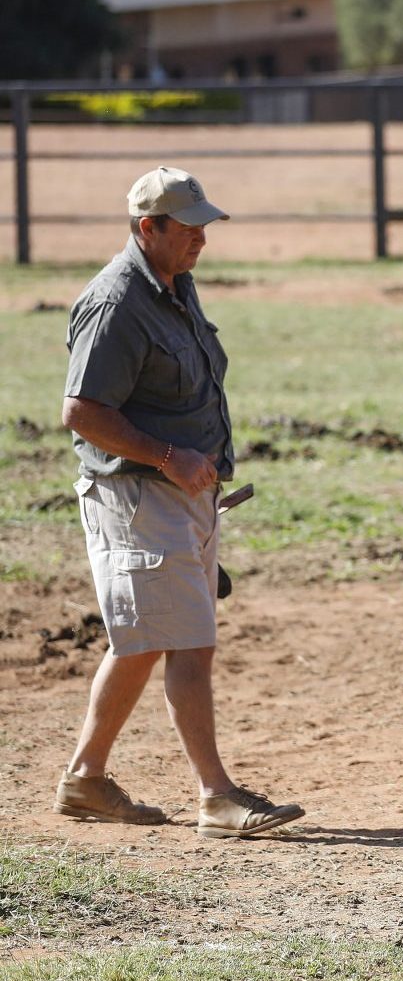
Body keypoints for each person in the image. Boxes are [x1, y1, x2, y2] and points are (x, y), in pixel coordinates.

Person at [55, 166, 305, 839]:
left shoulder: (173, 286)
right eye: (188, 228)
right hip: (141, 495)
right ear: (148, 227)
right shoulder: (116, 301)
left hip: (182, 495)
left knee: (144, 641)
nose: (201, 239)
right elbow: (81, 411)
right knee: (188, 643)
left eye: (203, 227)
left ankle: (86, 777)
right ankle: (216, 796)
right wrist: (168, 456)